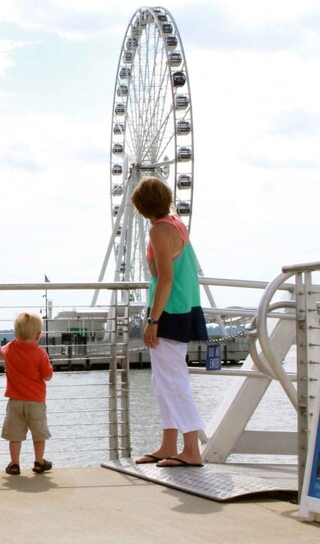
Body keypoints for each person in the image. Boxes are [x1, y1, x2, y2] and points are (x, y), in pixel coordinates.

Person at [131, 176, 208, 468]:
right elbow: (159, 269)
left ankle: (191, 449)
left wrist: (153, 320)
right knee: (162, 380)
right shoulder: (176, 224)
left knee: (173, 381)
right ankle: (168, 444)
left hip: (169, 311)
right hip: (183, 307)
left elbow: (165, 279)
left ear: (140, 206)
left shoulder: (160, 231)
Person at [0, 312, 54, 476]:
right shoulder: (41, 354)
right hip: (36, 402)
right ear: (38, 335)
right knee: (38, 434)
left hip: (15, 401)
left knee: (15, 435)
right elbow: (47, 376)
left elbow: (2, 350)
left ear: (15, 334)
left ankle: (15, 464)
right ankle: (39, 462)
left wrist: (16, 340)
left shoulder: (9, 349)